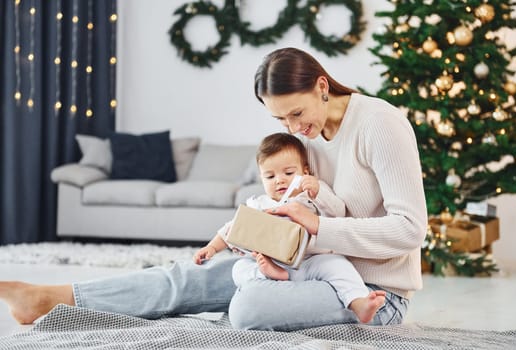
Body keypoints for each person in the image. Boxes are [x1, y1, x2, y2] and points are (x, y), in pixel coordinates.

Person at [0, 47, 427, 331]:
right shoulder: (308, 135)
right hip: (296, 266)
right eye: (282, 122)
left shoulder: (380, 125)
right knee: (189, 276)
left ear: (321, 86)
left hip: (370, 291)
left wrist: (316, 227)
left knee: (247, 309)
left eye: (297, 113)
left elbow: (410, 230)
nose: (296, 129)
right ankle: (54, 299)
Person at [193, 132, 386, 324]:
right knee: (239, 268)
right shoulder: (259, 204)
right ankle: (270, 275)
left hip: (313, 261)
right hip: (273, 264)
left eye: (288, 173)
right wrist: (211, 247)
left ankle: (358, 303)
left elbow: (339, 212)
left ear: (305, 172)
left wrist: (318, 191)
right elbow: (232, 228)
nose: (279, 180)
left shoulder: (312, 195)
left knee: (340, 266)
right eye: (270, 176)